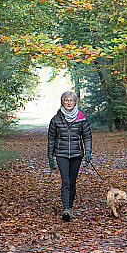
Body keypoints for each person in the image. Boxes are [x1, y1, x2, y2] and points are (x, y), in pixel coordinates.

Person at [47, 91, 92, 221]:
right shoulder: (56, 119)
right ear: (62, 102)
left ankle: (70, 208)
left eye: (71, 100)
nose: (68, 102)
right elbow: (51, 139)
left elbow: (87, 136)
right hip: (61, 154)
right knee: (65, 182)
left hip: (77, 154)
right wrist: (50, 157)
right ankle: (66, 209)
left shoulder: (81, 118)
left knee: (72, 182)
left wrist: (88, 152)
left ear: (75, 102)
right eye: (66, 100)